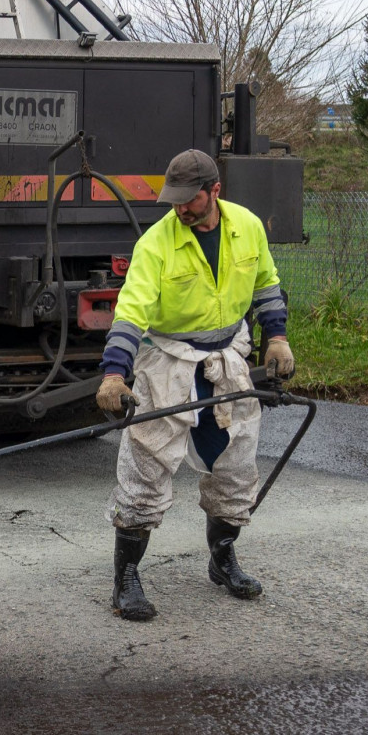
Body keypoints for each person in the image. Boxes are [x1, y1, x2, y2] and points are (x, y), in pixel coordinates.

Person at [96, 148, 294, 621]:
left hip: (227, 358)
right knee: (146, 465)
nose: (180, 209)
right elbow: (131, 313)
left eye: (189, 200)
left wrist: (278, 338)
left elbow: (267, 285)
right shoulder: (157, 243)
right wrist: (113, 373)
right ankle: (126, 577)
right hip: (168, 358)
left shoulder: (246, 227)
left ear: (215, 191)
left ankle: (223, 559)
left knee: (235, 464)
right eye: (175, 201)